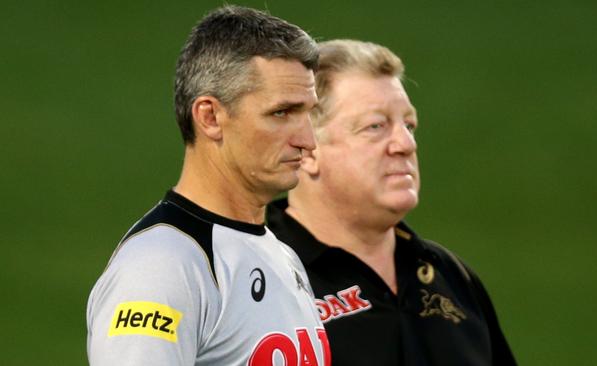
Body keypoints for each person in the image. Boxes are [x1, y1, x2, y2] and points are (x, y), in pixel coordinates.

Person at [86, 6, 331, 365]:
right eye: (281, 113)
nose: (308, 140)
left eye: (308, 113)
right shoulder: (160, 269)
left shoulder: (282, 256)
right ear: (210, 117)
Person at [267, 39, 516, 365]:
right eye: (376, 126)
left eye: (408, 125)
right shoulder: (253, 274)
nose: (405, 144)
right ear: (308, 148)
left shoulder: (451, 277)